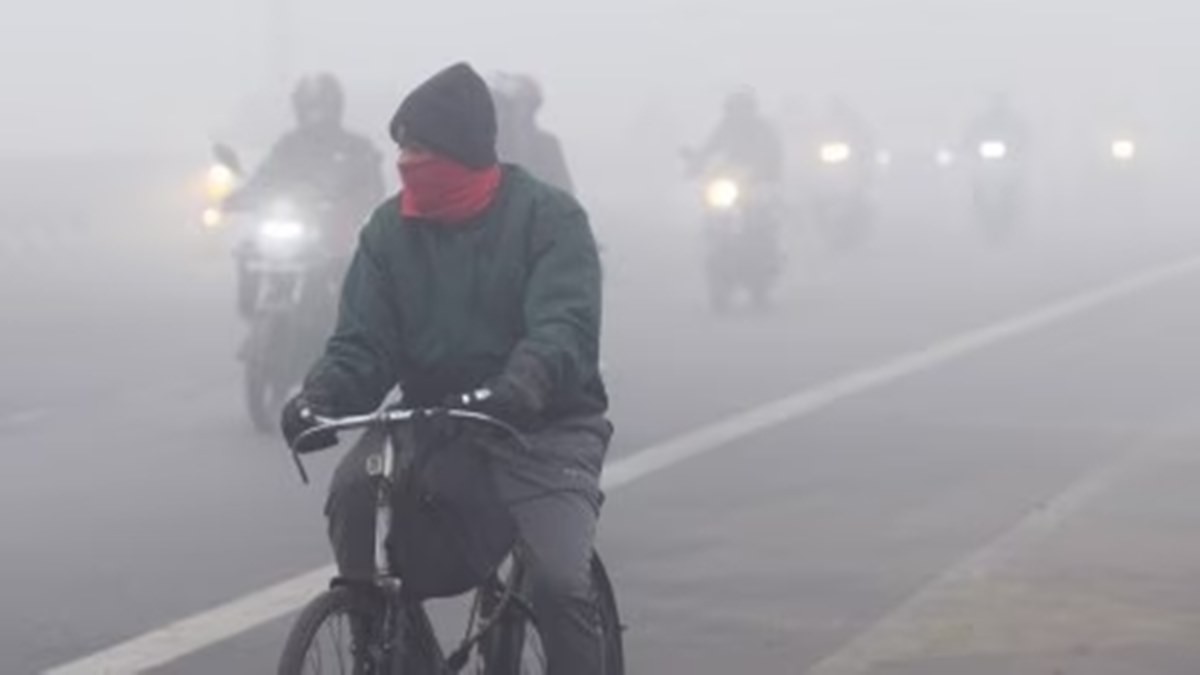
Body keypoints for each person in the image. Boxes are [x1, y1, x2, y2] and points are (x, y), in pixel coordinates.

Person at [280, 62, 611, 675]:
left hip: (544, 425)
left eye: (421, 150)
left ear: (463, 151)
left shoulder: (549, 218)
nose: (406, 163)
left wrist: (521, 385)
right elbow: (363, 344)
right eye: (402, 149)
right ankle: (388, 649)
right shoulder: (388, 231)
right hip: (434, 419)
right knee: (354, 494)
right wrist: (321, 395)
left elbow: (563, 327)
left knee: (560, 583)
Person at [226, 73, 385, 318]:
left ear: (336, 108)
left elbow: (373, 187)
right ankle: (254, 309)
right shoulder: (288, 145)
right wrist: (241, 196)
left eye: (322, 107)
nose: (316, 114)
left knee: (358, 267)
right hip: (298, 231)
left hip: (337, 235)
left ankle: (352, 321)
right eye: (310, 107)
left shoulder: (356, 147)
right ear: (299, 109)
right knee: (248, 248)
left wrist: (354, 205)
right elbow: (266, 175)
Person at [491, 73, 576, 194]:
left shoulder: (548, 145)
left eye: (527, 104)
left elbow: (564, 190)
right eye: (513, 106)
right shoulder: (492, 146)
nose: (521, 110)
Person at [686, 87, 784, 184]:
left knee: (767, 191)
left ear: (751, 109)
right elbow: (710, 147)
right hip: (732, 175)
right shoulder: (724, 128)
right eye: (734, 108)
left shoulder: (763, 129)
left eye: (743, 108)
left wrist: (771, 172)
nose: (739, 113)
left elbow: (775, 152)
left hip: (759, 178)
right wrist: (696, 162)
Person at [963, 92, 1032, 159]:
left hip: (1010, 159)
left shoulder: (1015, 121)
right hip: (984, 159)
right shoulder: (981, 121)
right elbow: (971, 139)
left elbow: (1023, 141)